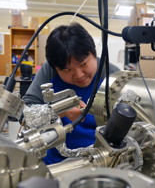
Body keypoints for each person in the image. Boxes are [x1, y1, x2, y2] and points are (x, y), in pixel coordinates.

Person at [23, 22, 120, 164]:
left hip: (102, 160)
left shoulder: (114, 76)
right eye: (67, 70)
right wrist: (58, 111)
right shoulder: (49, 72)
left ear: (94, 54)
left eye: (84, 64)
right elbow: (25, 112)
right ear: (56, 68)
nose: (79, 75)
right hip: (55, 161)